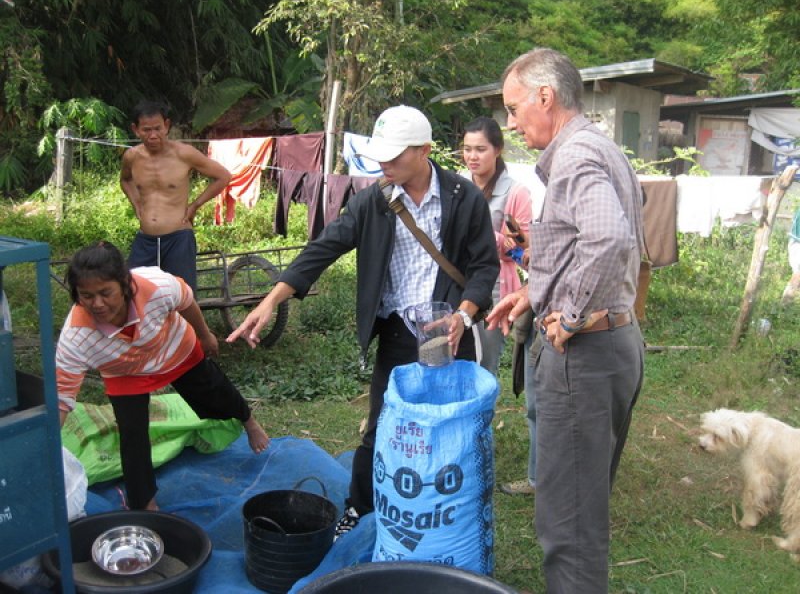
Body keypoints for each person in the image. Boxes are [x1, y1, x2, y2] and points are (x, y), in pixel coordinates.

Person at [227, 105, 499, 538]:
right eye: (381, 156)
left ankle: (446, 509)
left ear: (424, 150)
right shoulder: (376, 199)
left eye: (394, 156)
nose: (383, 165)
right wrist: (273, 297)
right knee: (381, 426)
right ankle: (359, 507)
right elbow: (326, 245)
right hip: (396, 332)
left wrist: (464, 314)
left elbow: (484, 267)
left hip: (448, 332)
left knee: (450, 426)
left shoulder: (463, 198)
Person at [486, 48, 645, 593]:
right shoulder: (602, 148)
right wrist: (535, 292)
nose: (510, 121)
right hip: (617, 341)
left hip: (586, 357)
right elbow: (591, 242)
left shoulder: (576, 157)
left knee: (570, 531)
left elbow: (608, 239)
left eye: (513, 107)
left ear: (545, 98)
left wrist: (569, 315)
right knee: (583, 508)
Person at [55, 241, 269, 511]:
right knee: (132, 435)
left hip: (172, 347)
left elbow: (187, 301)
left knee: (214, 391)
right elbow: (62, 399)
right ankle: (145, 503)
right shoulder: (76, 335)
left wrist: (204, 335)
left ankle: (248, 421)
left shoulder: (156, 285)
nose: (97, 304)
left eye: (105, 292)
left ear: (124, 283)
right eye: (86, 296)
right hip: (125, 371)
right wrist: (47, 445)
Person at [120, 100, 231, 294]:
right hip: (146, 240)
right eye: (146, 130)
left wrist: (195, 205)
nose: (153, 135)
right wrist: (136, 203)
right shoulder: (132, 157)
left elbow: (223, 176)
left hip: (178, 237)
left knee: (182, 295)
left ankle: (188, 326)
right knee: (133, 292)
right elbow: (125, 180)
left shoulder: (184, 154)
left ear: (167, 126)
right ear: (135, 130)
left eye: (157, 128)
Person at [460, 116, 532, 375]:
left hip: (494, 289)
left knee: (484, 365)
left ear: (498, 150)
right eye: (467, 149)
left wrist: (482, 234)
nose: (472, 156)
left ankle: (481, 416)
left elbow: (521, 252)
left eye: (481, 149)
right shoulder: (458, 185)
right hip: (457, 281)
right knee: (456, 359)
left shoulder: (516, 193)